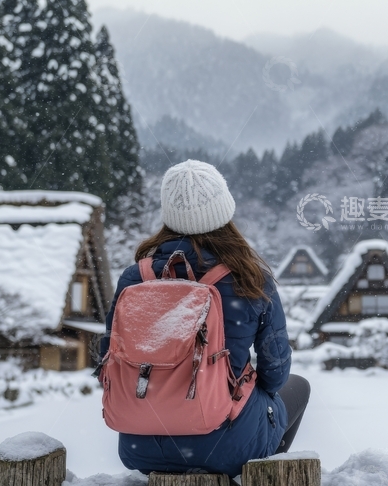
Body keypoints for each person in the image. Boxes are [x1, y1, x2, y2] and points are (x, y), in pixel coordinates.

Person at [99, 159, 310, 478]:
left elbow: (106, 360)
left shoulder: (135, 278)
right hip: (224, 447)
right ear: (224, 211)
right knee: (298, 387)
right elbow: (275, 374)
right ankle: (259, 478)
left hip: (139, 444)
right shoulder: (249, 279)